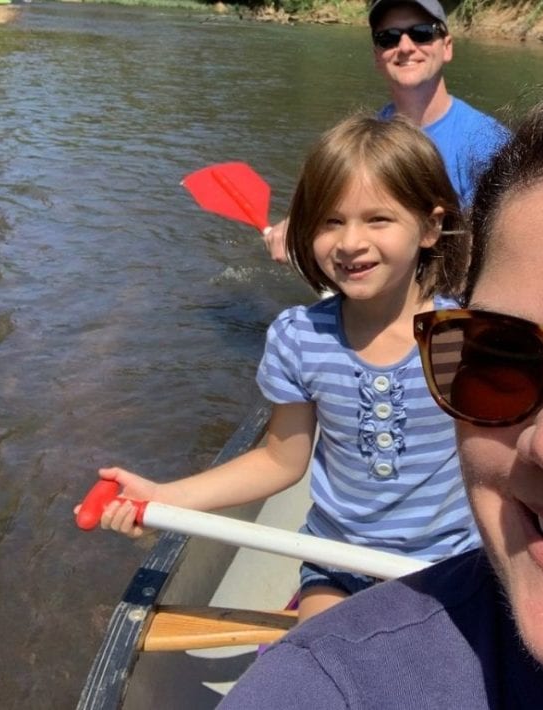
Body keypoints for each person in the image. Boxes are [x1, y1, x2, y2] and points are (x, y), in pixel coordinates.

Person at [218, 76, 543, 709]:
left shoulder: (437, 318)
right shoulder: (327, 685)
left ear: (430, 229)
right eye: (502, 352)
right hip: (335, 559)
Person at [87, 113, 481, 623]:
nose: (350, 243)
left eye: (377, 219)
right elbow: (280, 462)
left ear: (429, 228)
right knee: (320, 661)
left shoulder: (468, 338)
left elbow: (502, 456)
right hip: (338, 560)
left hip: (446, 559)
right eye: (330, 221)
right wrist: (167, 498)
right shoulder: (300, 339)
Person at [263, 0, 508, 262]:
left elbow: (504, 249)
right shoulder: (363, 140)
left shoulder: (489, 143)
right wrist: (298, 229)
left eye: (422, 33)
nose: (405, 47)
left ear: (446, 47)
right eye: (388, 38)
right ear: (377, 56)